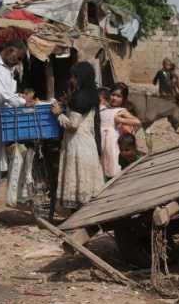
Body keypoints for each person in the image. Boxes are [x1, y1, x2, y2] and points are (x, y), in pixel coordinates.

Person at [51, 62, 104, 213]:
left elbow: (73, 124)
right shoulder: (92, 94)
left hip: (77, 144)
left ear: (80, 77)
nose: (71, 80)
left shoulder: (79, 97)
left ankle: (77, 220)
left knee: (77, 179)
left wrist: (58, 114)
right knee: (85, 182)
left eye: (74, 77)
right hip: (88, 144)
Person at [0, 40, 30, 190]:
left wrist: (18, 97)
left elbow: (8, 94)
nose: (18, 62)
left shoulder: (10, 69)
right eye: (18, 58)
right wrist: (22, 101)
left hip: (2, 119)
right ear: (10, 50)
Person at [100, 84, 141, 179]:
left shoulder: (121, 111)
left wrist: (119, 120)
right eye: (113, 95)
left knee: (113, 164)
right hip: (102, 140)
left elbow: (137, 121)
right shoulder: (104, 108)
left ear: (124, 99)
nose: (114, 98)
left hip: (112, 141)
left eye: (118, 96)